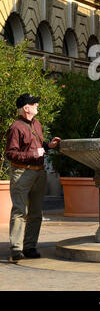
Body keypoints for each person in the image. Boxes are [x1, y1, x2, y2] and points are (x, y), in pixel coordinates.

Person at [5, 93, 61, 263]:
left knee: (36, 213)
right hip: (22, 173)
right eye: (33, 103)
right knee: (20, 211)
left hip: (39, 172)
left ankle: (29, 247)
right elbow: (10, 153)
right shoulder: (15, 127)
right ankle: (16, 249)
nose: (37, 105)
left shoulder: (37, 123)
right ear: (25, 108)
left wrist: (48, 146)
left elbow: (38, 145)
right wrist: (33, 154)